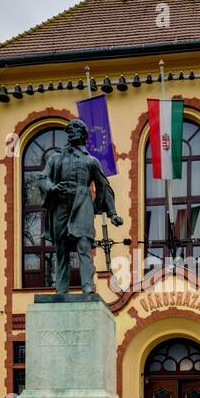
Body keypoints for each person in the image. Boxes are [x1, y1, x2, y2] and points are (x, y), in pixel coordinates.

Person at [35, 119, 123, 295]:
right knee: (61, 248)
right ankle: (61, 288)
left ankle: (87, 286)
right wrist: (51, 187)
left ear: (83, 134)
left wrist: (112, 213)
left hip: (82, 203)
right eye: (69, 130)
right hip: (60, 204)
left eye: (75, 129)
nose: (71, 132)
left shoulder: (91, 161)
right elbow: (42, 178)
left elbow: (103, 186)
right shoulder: (55, 158)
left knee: (84, 244)